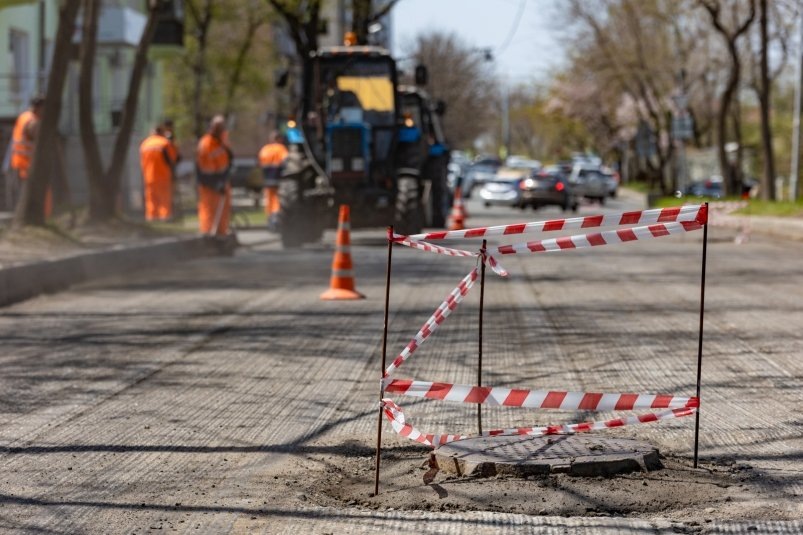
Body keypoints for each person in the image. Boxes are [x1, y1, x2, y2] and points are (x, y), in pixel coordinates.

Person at [10, 95, 51, 216]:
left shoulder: (23, 117)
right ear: (39, 108)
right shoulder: (34, 122)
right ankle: (42, 217)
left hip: (19, 163)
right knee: (41, 194)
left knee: (24, 196)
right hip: (29, 166)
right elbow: (38, 139)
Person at [195, 115, 233, 236]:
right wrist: (216, 183)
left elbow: (228, 159)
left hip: (222, 182)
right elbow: (203, 170)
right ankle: (207, 234)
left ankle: (221, 233)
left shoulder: (220, 143)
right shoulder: (206, 144)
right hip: (209, 185)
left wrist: (224, 180)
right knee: (209, 210)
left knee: (223, 211)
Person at [139, 123, 177, 221]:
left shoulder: (144, 144)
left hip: (148, 177)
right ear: (161, 132)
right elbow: (173, 159)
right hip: (162, 176)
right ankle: (165, 219)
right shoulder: (164, 143)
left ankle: (152, 219)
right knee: (164, 200)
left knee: (151, 200)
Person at [257, 131, 288, 230]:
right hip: (278, 179)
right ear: (279, 139)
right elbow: (286, 161)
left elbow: (260, 163)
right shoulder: (281, 148)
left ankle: (270, 220)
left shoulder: (264, 149)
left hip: (267, 179)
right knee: (277, 200)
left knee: (269, 200)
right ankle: (276, 220)